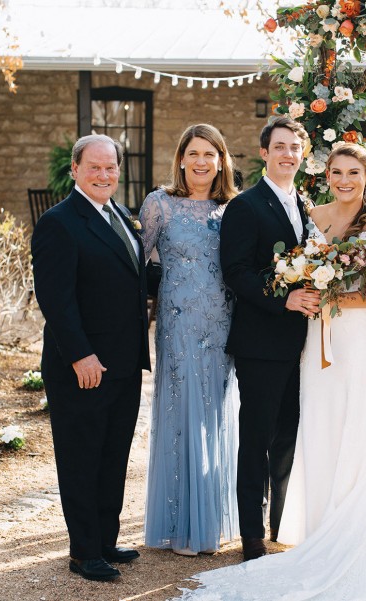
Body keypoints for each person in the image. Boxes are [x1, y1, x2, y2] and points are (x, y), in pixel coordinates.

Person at [171, 143, 366, 601]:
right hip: (315, 343)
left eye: (353, 172)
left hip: (358, 342)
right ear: (327, 176)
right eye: (336, 171)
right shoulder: (311, 217)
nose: (344, 180)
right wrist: (308, 287)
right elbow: (285, 273)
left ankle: (356, 532)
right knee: (318, 428)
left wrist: (331, 293)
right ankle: (318, 528)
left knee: (357, 431)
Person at [31, 134, 150, 581]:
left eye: (111, 167)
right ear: (76, 170)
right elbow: (56, 300)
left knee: (112, 454)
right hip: (83, 365)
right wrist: (81, 355)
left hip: (122, 362)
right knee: (82, 458)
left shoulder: (117, 213)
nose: (104, 175)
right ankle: (83, 551)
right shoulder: (59, 222)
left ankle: (103, 538)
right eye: (95, 167)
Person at [220, 116, 321, 561]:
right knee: (257, 437)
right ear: (264, 153)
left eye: (294, 148)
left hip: (305, 342)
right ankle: (251, 534)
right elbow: (236, 272)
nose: (287, 154)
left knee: (289, 435)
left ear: (302, 155)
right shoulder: (245, 206)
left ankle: (280, 520)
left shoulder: (305, 205)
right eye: (279, 146)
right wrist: (285, 300)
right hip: (261, 343)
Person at [139, 124, 239, 555]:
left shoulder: (232, 207)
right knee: (182, 413)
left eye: (210, 154)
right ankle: (180, 524)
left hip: (222, 326)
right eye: (194, 153)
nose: (201, 162)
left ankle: (211, 520)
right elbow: (135, 263)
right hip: (178, 325)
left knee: (216, 412)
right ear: (181, 158)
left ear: (221, 161)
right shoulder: (159, 204)